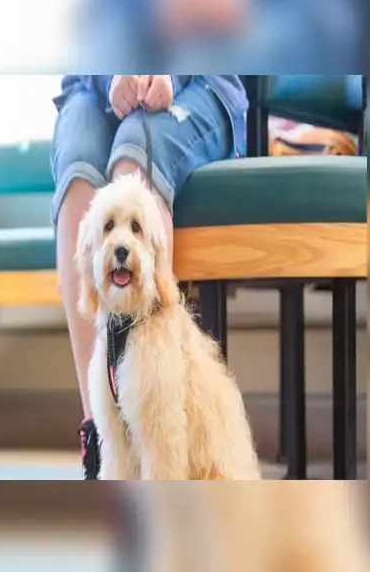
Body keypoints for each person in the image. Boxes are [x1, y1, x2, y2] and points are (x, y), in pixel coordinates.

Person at [50, 75, 248, 479]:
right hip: (92, 83)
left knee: (133, 159)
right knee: (78, 178)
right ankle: (99, 434)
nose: (121, 242)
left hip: (203, 78)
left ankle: (162, 398)